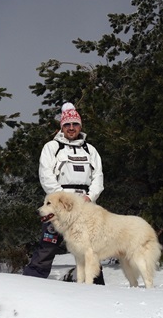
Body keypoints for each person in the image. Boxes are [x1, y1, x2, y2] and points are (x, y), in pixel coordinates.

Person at [23, 102, 105, 284]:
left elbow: (98, 177)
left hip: (85, 207)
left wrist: (90, 197)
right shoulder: (52, 148)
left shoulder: (90, 150)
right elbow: (46, 176)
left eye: (75, 124)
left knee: (89, 248)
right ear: (61, 126)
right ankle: (30, 284)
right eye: (67, 124)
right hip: (58, 206)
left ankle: (97, 288)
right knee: (48, 244)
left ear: (80, 126)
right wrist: (61, 200)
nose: (71, 128)